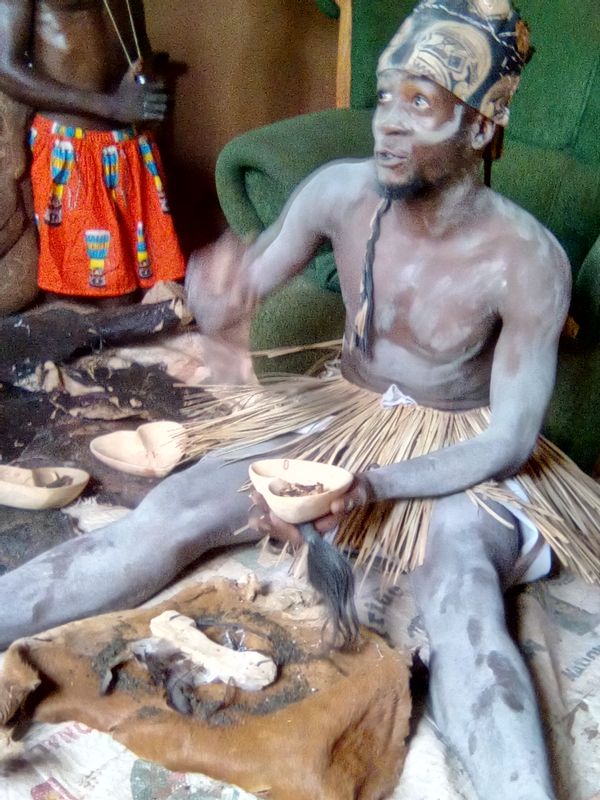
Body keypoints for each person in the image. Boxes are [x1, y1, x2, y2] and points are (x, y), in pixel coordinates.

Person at [1, 1, 599, 798]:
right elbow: (249, 278)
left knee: (461, 597)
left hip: (467, 441)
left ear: (482, 128)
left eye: (418, 104)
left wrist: (372, 489)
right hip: (343, 414)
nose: (385, 123)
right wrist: (223, 296)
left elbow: (510, 441)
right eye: (385, 96)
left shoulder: (526, 258)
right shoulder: (341, 191)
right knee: (175, 511)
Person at [0, 0, 185, 303]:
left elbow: (135, 40)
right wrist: (109, 105)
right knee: (88, 305)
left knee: (154, 297)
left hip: (132, 146)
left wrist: (147, 83)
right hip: (73, 152)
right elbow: (5, 67)